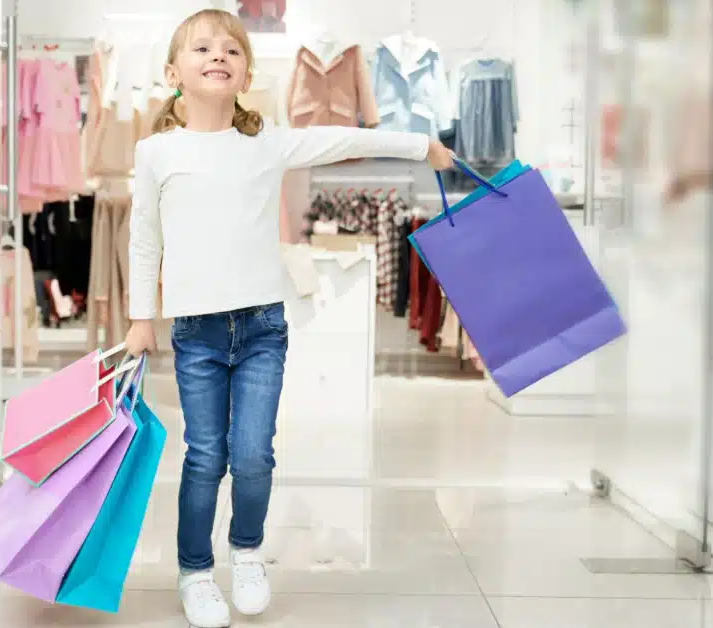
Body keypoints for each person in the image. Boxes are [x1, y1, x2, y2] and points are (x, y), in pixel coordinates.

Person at [122, 9, 455, 627]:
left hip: (260, 330)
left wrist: (421, 146)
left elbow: (350, 136)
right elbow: (144, 240)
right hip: (195, 334)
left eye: (231, 49)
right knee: (204, 456)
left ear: (246, 71)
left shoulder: (267, 143)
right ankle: (195, 570)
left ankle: (246, 553)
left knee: (252, 455)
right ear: (174, 72)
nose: (218, 55)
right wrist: (142, 318)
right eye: (201, 48)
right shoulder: (155, 152)